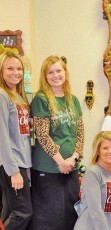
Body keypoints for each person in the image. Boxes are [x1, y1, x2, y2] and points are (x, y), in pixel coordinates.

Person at [29, 55, 84, 230]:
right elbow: (43, 135)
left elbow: (80, 133)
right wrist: (61, 161)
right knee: (50, 221)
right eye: (50, 72)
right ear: (44, 76)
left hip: (71, 168)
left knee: (71, 216)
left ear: (65, 73)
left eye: (59, 70)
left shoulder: (73, 99)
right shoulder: (41, 99)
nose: (55, 75)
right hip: (49, 169)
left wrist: (74, 158)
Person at [0, 51, 32, 229]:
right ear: (1, 71)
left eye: (19, 68)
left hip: (21, 162)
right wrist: (13, 171)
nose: (16, 72)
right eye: (10, 68)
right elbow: (2, 136)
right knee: (22, 213)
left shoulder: (17, 96)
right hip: (11, 165)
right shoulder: (2, 95)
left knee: (9, 211)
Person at [74, 131, 111, 229]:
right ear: (98, 151)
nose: (110, 151)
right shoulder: (93, 172)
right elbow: (95, 211)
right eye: (105, 148)